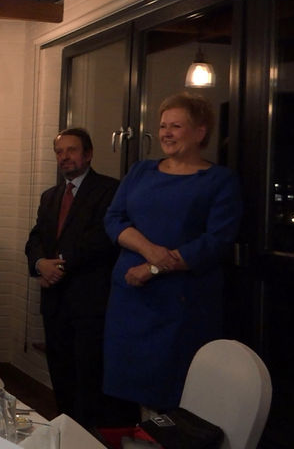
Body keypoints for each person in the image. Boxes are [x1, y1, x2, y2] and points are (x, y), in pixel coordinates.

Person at [103, 92, 243, 413]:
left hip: (181, 301)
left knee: (174, 391)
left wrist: (155, 268)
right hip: (131, 299)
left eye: (176, 126)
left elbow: (216, 241)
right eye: (163, 126)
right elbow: (114, 218)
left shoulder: (220, 181)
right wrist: (150, 251)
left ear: (200, 132)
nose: (166, 133)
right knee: (133, 388)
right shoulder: (141, 171)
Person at [25, 128, 122, 430]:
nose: (64, 156)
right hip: (55, 302)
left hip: (89, 300)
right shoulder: (50, 196)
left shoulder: (109, 190)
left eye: (72, 150)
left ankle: (88, 438)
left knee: (88, 377)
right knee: (61, 375)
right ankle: (64, 433)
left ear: (88, 154)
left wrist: (57, 266)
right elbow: (36, 239)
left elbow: (101, 239)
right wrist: (40, 264)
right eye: (59, 151)